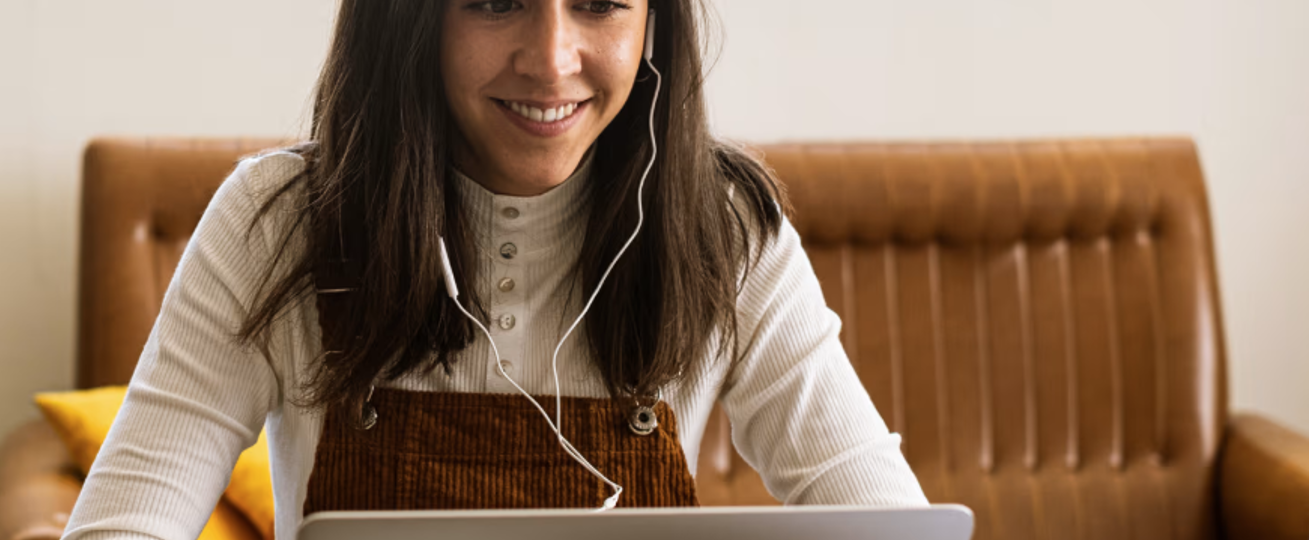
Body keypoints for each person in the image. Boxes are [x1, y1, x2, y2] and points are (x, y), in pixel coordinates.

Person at [63, 0, 927, 538]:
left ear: (652, 21)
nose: (551, 59)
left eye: (598, 2)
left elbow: (888, 522)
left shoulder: (725, 231)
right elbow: (127, 523)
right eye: (495, 0)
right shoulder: (277, 220)